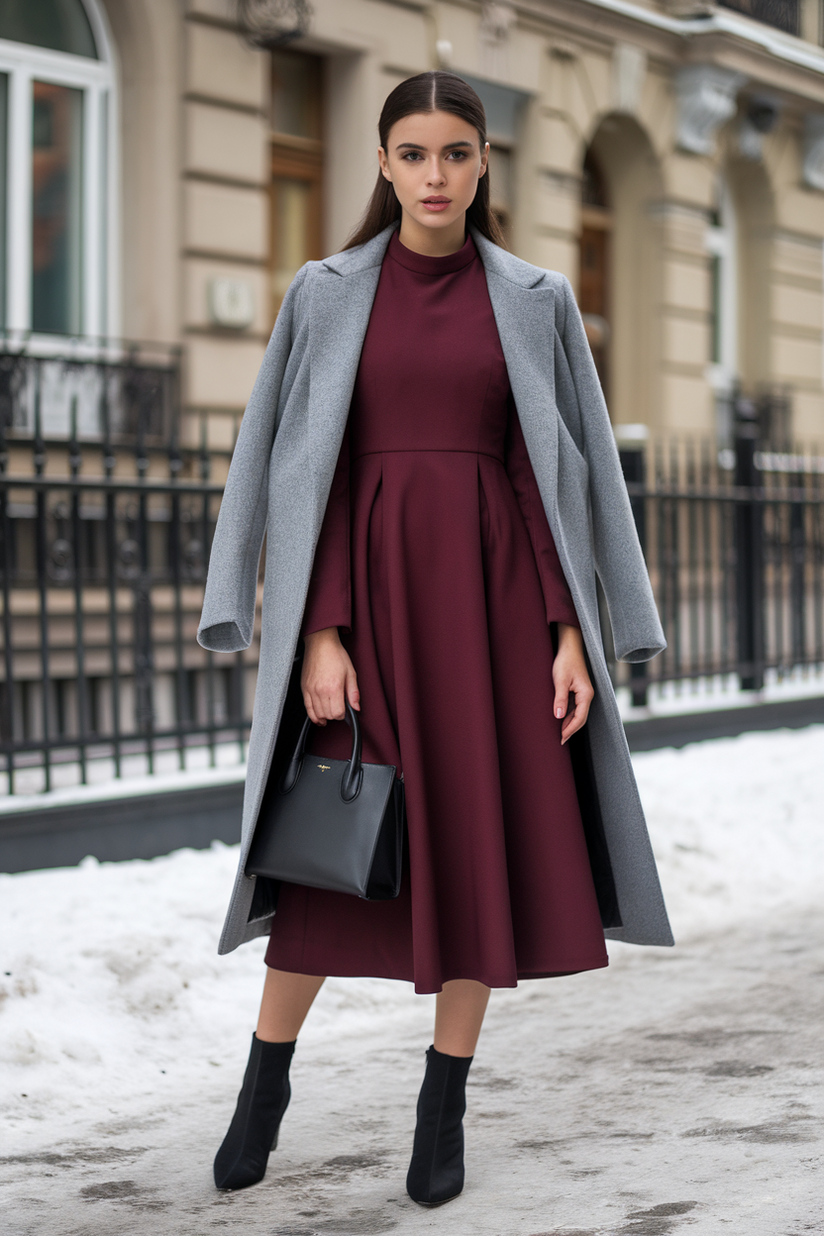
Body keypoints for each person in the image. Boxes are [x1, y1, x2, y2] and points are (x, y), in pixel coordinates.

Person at [197, 71, 671, 1206]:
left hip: (500, 609)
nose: (433, 176)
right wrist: (316, 632)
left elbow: (554, 467)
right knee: (325, 863)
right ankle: (264, 1084)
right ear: (380, 162)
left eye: (454, 153)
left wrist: (573, 630)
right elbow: (280, 460)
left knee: (475, 854)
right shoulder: (321, 294)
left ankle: (441, 1102)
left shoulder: (535, 297)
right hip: (364, 603)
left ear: (482, 165)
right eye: (411, 153)